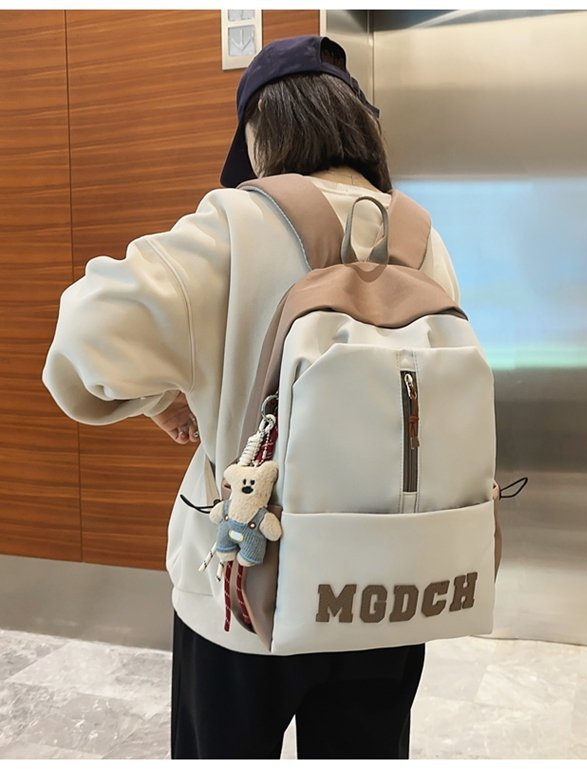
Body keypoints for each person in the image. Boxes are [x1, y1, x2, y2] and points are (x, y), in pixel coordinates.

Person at [43, 34, 460, 759]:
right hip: (386, 591)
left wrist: (157, 399)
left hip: (242, 588)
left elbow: (82, 338)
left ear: (258, 134)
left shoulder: (236, 224)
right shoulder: (422, 238)